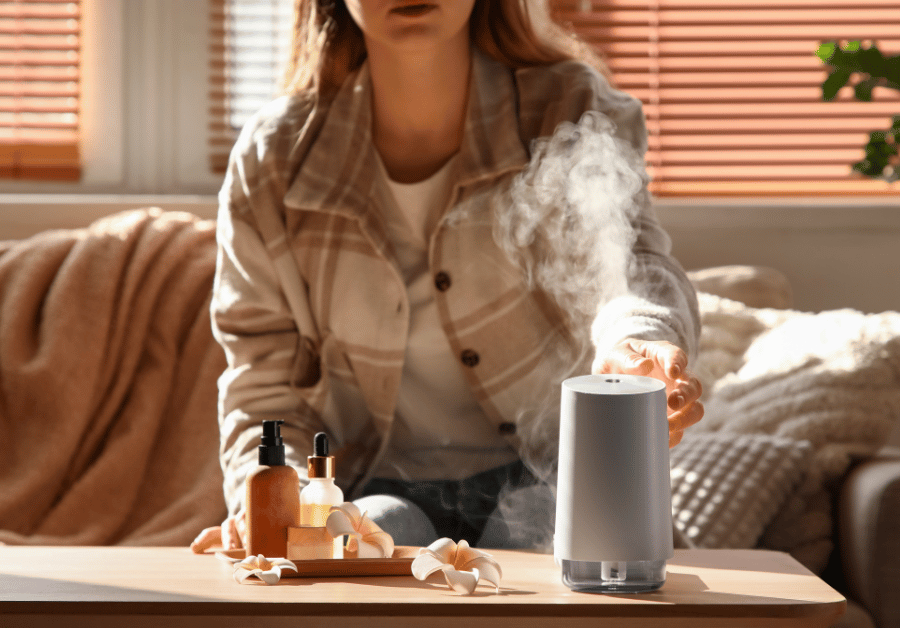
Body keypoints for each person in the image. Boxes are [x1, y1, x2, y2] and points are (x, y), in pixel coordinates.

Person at [192, 0, 703, 554]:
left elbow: (632, 271)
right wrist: (272, 495)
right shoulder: (273, 160)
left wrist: (640, 340)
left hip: (554, 480)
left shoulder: (570, 107)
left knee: (548, 524)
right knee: (376, 529)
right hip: (367, 486)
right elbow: (263, 384)